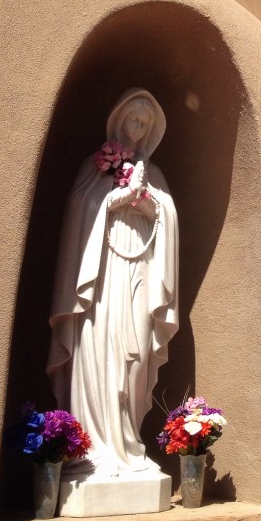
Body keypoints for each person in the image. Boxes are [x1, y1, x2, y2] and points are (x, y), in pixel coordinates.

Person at [47, 88, 179, 477]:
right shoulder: (96, 167)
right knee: (98, 350)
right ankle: (92, 447)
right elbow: (79, 210)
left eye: (145, 125)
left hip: (139, 275)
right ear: (119, 120)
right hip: (100, 282)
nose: (137, 131)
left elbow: (169, 219)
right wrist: (112, 202)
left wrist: (153, 206)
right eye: (133, 121)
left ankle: (128, 443)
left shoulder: (154, 174)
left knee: (135, 355)